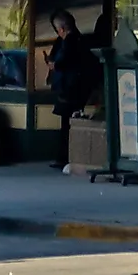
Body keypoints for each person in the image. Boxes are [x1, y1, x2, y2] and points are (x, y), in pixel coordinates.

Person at [44, 9, 100, 166]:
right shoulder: (81, 40)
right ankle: (67, 157)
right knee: (70, 121)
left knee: (66, 124)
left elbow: (62, 62)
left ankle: (64, 158)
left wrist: (53, 65)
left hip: (70, 88)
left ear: (61, 29)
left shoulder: (69, 42)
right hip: (79, 87)